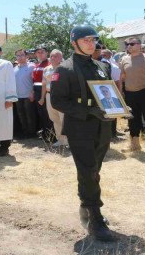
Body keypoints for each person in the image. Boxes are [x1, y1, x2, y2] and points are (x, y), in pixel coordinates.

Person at [50, 24, 115, 242]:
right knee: (87, 170)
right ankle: (95, 218)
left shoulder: (100, 66)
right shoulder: (64, 68)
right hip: (80, 127)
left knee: (95, 170)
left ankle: (86, 206)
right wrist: (88, 110)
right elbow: (57, 101)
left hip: (102, 125)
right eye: (86, 40)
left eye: (93, 39)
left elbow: (108, 92)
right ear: (74, 42)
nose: (91, 43)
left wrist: (120, 107)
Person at [119, 37, 145, 152]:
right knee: (132, 119)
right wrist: (120, 93)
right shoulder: (124, 59)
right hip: (130, 93)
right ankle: (134, 144)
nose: (129, 46)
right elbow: (122, 78)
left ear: (139, 45)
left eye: (132, 44)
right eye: (127, 44)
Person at [40, 49, 68, 147]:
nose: (52, 58)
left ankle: (68, 141)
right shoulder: (46, 69)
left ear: (61, 57)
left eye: (55, 56)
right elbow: (44, 84)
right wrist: (42, 98)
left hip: (62, 96)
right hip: (49, 95)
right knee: (54, 118)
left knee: (64, 118)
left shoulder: (65, 68)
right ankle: (60, 140)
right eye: (51, 56)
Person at [13, 49, 37, 139]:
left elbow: (36, 80)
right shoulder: (14, 69)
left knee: (30, 115)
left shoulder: (32, 66)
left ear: (26, 56)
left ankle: (31, 133)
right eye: (18, 55)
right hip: (18, 96)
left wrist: (33, 92)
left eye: (22, 55)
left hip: (28, 95)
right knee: (21, 114)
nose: (20, 57)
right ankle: (25, 131)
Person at [32, 45, 53, 140]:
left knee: (47, 114)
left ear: (46, 53)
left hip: (44, 91)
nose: (40, 54)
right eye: (38, 52)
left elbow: (46, 82)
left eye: (42, 52)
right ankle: (45, 133)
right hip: (36, 90)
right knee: (41, 114)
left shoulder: (49, 64)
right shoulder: (37, 64)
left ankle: (51, 135)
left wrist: (42, 96)